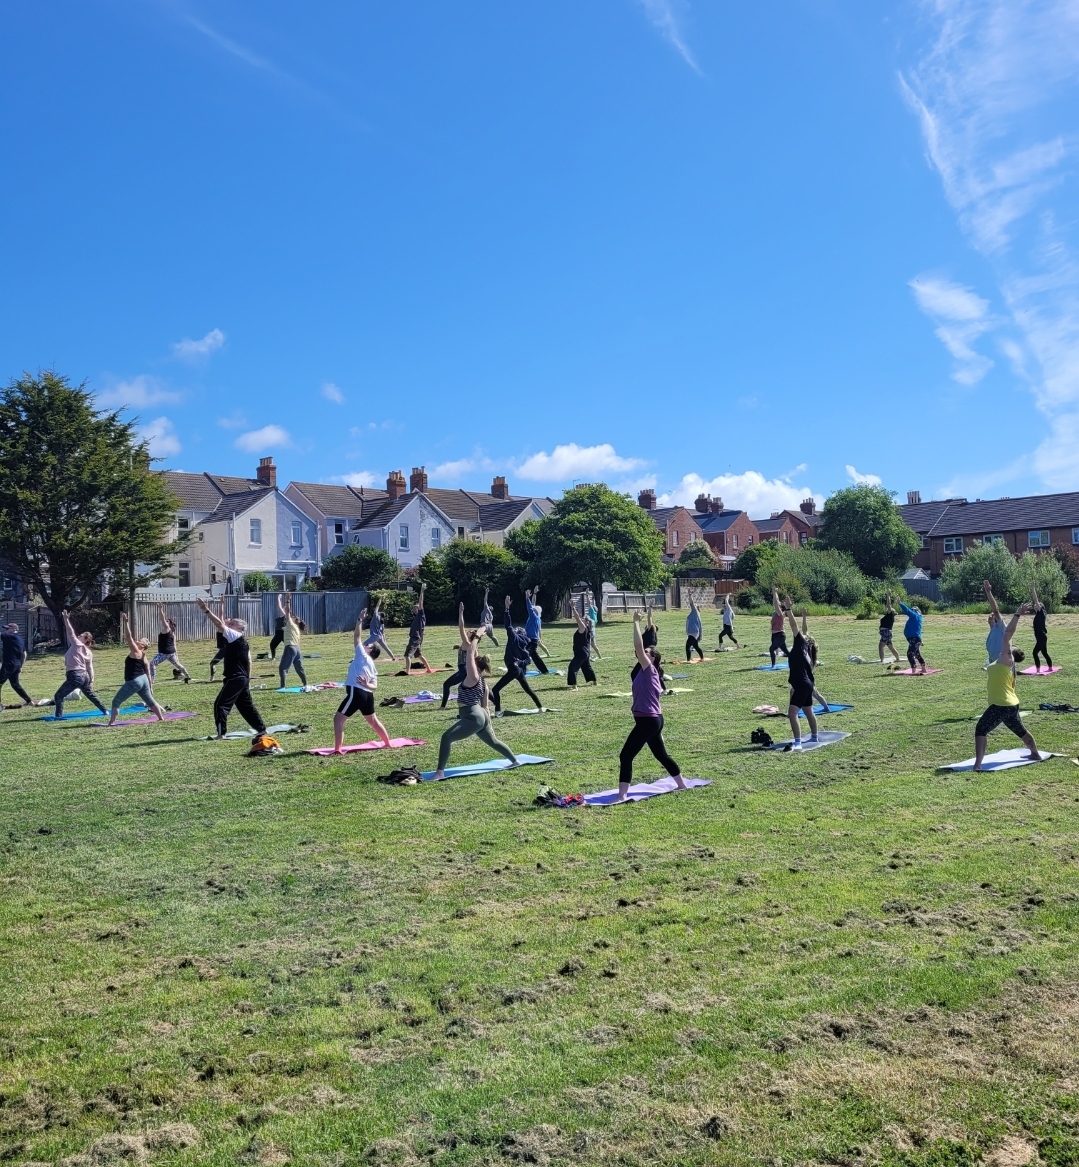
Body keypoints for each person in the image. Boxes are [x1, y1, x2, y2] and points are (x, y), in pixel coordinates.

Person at [430, 610, 518, 779]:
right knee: (493, 741)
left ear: (475, 666)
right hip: (481, 714)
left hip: (472, 717)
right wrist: (488, 720)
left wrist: (477, 635)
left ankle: (440, 773)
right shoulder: (482, 680)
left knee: (446, 737)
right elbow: (485, 705)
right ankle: (515, 761)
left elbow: (470, 653)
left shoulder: (473, 676)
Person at [614, 610, 686, 803]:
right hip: (652, 720)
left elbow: (638, 646)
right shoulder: (642, 671)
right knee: (661, 755)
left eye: (647, 653)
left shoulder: (649, 670)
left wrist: (635, 622)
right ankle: (681, 785)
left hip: (648, 721)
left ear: (652, 659)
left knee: (625, 756)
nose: (643, 653)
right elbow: (638, 649)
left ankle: (622, 795)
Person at [974, 603, 1042, 772]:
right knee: (1021, 731)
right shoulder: (1004, 663)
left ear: (1011, 654)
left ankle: (977, 765)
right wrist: (992, 625)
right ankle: (1035, 753)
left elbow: (1007, 634)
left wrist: (1017, 614)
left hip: (1001, 705)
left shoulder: (1006, 660)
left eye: (1010, 648)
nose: (1008, 647)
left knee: (981, 729)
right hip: (1010, 704)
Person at [197, 596, 267, 738]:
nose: (229, 624)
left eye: (232, 623)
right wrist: (247, 679)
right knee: (246, 707)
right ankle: (261, 729)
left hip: (235, 678)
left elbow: (219, 624)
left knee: (220, 705)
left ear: (239, 628)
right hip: (241, 679)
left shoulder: (236, 636)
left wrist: (206, 610)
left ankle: (221, 733)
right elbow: (248, 662)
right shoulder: (241, 641)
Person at [333, 609, 391, 752]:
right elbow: (375, 686)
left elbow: (357, 637)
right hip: (368, 696)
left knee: (338, 720)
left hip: (357, 693)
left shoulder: (363, 656)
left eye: (369, 646)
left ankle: (337, 749)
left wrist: (360, 620)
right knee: (373, 721)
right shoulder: (371, 664)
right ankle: (387, 743)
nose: (366, 645)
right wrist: (367, 684)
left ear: (370, 651)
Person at [108, 613, 166, 725]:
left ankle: (111, 723)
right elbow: (148, 673)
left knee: (116, 701)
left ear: (143, 646)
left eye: (140, 641)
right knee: (150, 701)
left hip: (134, 681)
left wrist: (126, 622)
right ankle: (160, 718)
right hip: (143, 679)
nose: (137, 641)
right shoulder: (144, 657)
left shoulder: (136, 651)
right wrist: (150, 686)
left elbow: (128, 637)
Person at [490, 596, 544, 713]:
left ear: (518, 633)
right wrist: (520, 662)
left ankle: (497, 711)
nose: (513, 630)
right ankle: (540, 707)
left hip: (514, 670)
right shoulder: (524, 644)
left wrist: (507, 609)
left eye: (515, 630)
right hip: (518, 670)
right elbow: (528, 660)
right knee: (528, 690)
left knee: (495, 690)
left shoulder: (514, 637)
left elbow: (508, 625)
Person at [53, 610, 108, 718]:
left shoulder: (77, 644)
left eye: (81, 635)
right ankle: (105, 710)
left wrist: (66, 618)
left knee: (58, 696)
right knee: (91, 695)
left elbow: (70, 631)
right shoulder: (89, 652)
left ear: (86, 639)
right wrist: (91, 680)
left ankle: (58, 716)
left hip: (75, 675)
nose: (79, 636)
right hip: (85, 676)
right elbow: (90, 668)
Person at [783, 598, 821, 749]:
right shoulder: (806, 649)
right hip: (807, 684)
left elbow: (794, 625)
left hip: (802, 684)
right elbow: (804, 631)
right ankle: (814, 737)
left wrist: (788, 609)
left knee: (792, 713)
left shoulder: (801, 643)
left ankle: (798, 743)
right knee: (808, 711)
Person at [800, 607, 831, 713]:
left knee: (814, 693)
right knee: (797, 691)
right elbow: (805, 630)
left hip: (807, 678)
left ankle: (826, 708)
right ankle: (797, 708)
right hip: (805, 677)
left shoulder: (810, 656)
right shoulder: (808, 651)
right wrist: (804, 616)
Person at [149, 604, 190, 683]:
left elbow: (162, 619)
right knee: (178, 665)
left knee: (152, 663)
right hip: (171, 653)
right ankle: (187, 675)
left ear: (170, 624)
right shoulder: (172, 633)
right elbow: (174, 645)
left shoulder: (167, 629)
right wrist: (176, 655)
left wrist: (160, 609)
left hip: (165, 653)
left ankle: (152, 680)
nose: (165, 622)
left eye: (167, 621)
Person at [441, 603, 470, 708]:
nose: (468, 632)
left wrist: (460, 612)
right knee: (476, 687)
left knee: (446, 685)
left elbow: (461, 627)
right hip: (466, 670)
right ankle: (493, 701)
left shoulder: (467, 642)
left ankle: (443, 706)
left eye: (470, 632)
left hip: (463, 671)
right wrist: (459, 647)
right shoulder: (470, 644)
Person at [277, 593, 308, 688]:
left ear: (295, 621)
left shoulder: (291, 624)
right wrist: (279, 599)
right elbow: (283, 611)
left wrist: (287, 600)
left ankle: (282, 687)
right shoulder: (296, 628)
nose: (291, 617)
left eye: (293, 617)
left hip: (290, 647)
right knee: (299, 668)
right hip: (297, 649)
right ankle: (305, 684)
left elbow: (287, 611)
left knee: (282, 668)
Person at [402, 582, 433, 673]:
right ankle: (429, 669)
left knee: (407, 655)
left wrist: (422, 591)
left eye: (416, 608)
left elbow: (420, 602)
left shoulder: (421, 614)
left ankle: (407, 672)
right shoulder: (418, 617)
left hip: (415, 638)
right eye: (414, 608)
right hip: (416, 638)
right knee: (419, 655)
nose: (414, 609)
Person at [0, 621, 32, 706]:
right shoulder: (20, 639)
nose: (5, 630)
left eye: (7, 629)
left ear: (14, 629)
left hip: (9, 664)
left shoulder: (10, 636)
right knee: (15, 684)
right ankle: (28, 700)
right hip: (16, 664)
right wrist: (20, 666)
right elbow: (24, 654)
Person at [567, 606, 597, 688]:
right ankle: (594, 682)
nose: (581, 619)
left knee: (572, 667)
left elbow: (577, 618)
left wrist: (573, 607)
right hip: (586, 652)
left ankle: (574, 685)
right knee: (586, 667)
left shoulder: (583, 627)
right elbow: (589, 643)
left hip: (581, 652)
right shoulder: (588, 629)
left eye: (583, 618)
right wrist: (588, 653)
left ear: (586, 621)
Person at [524, 588, 549, 674]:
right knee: (535, 656)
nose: (533, 608)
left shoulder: (534, 617)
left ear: (536, 611)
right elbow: (533, 604)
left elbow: (530, 607)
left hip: (531, 640)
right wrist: (534, 593)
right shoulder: (537, 617)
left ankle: (521, 669)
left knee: (525, 654)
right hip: (531, 640)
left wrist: (527, 598)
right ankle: (544, 670)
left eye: (534, 609)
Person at [899, 598, 928, 674]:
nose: (912, 611)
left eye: (913, 610)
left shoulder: (914, 616)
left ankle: (914, 670)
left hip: (914, 639)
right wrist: (920, 640)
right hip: (916, 639)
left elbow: (907, 611)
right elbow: (918, 630)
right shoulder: (919, 618)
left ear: (915, 611)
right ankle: (923, 669)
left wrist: (900, 603)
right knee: (917, 654)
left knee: (910, 654)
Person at [364, 596, 396, 660]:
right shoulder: (382, 623)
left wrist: (380, 599)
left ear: (379, 614)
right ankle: (393, 657)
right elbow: (383, 633)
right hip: (380, 636)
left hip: (374, 636)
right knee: (385, 647)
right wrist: (384, 640)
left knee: (363, 644)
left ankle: (363, 656)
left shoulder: (376, 617)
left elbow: (377, 607)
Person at [1031, 580, 1052, 671]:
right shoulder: (1039, 614)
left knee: (1035, 653)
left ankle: (1038, 670)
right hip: (1041, 636)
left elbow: (1035, 599)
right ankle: (1050, 668)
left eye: (1038, 605)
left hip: (1041, 636)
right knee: (1044, 653)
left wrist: (1033, 588)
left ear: (1041, 607)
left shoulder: (1041, 612)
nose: (1036, 605)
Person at [984, 580, 1005, 664]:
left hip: (1001, 663)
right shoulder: (993, 630)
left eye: (992, 616)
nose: (990, 617)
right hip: (993, 663)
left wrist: (988, 592)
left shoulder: (1002, 626)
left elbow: (996, 610)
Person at [878, 591, 901, 665]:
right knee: (890, 647)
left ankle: (882, 660)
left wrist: (888, 596)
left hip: (886, 633)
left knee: (881, 646)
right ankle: (897, 658)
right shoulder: (889, 616)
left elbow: (889, 605)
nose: (887, 609)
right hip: (887, 633)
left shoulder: (889, 615)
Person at [769, 587, 790, 667]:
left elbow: (775, 603)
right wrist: (775, 592)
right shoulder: (776, 613)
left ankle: (773, 666)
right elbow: (776, 601)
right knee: (786, 652)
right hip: (775, 636)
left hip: (780, 636)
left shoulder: (780, 613)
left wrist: (774, 592)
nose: (778, 604)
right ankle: (796, 660)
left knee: (771, 649)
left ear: (781, 608)